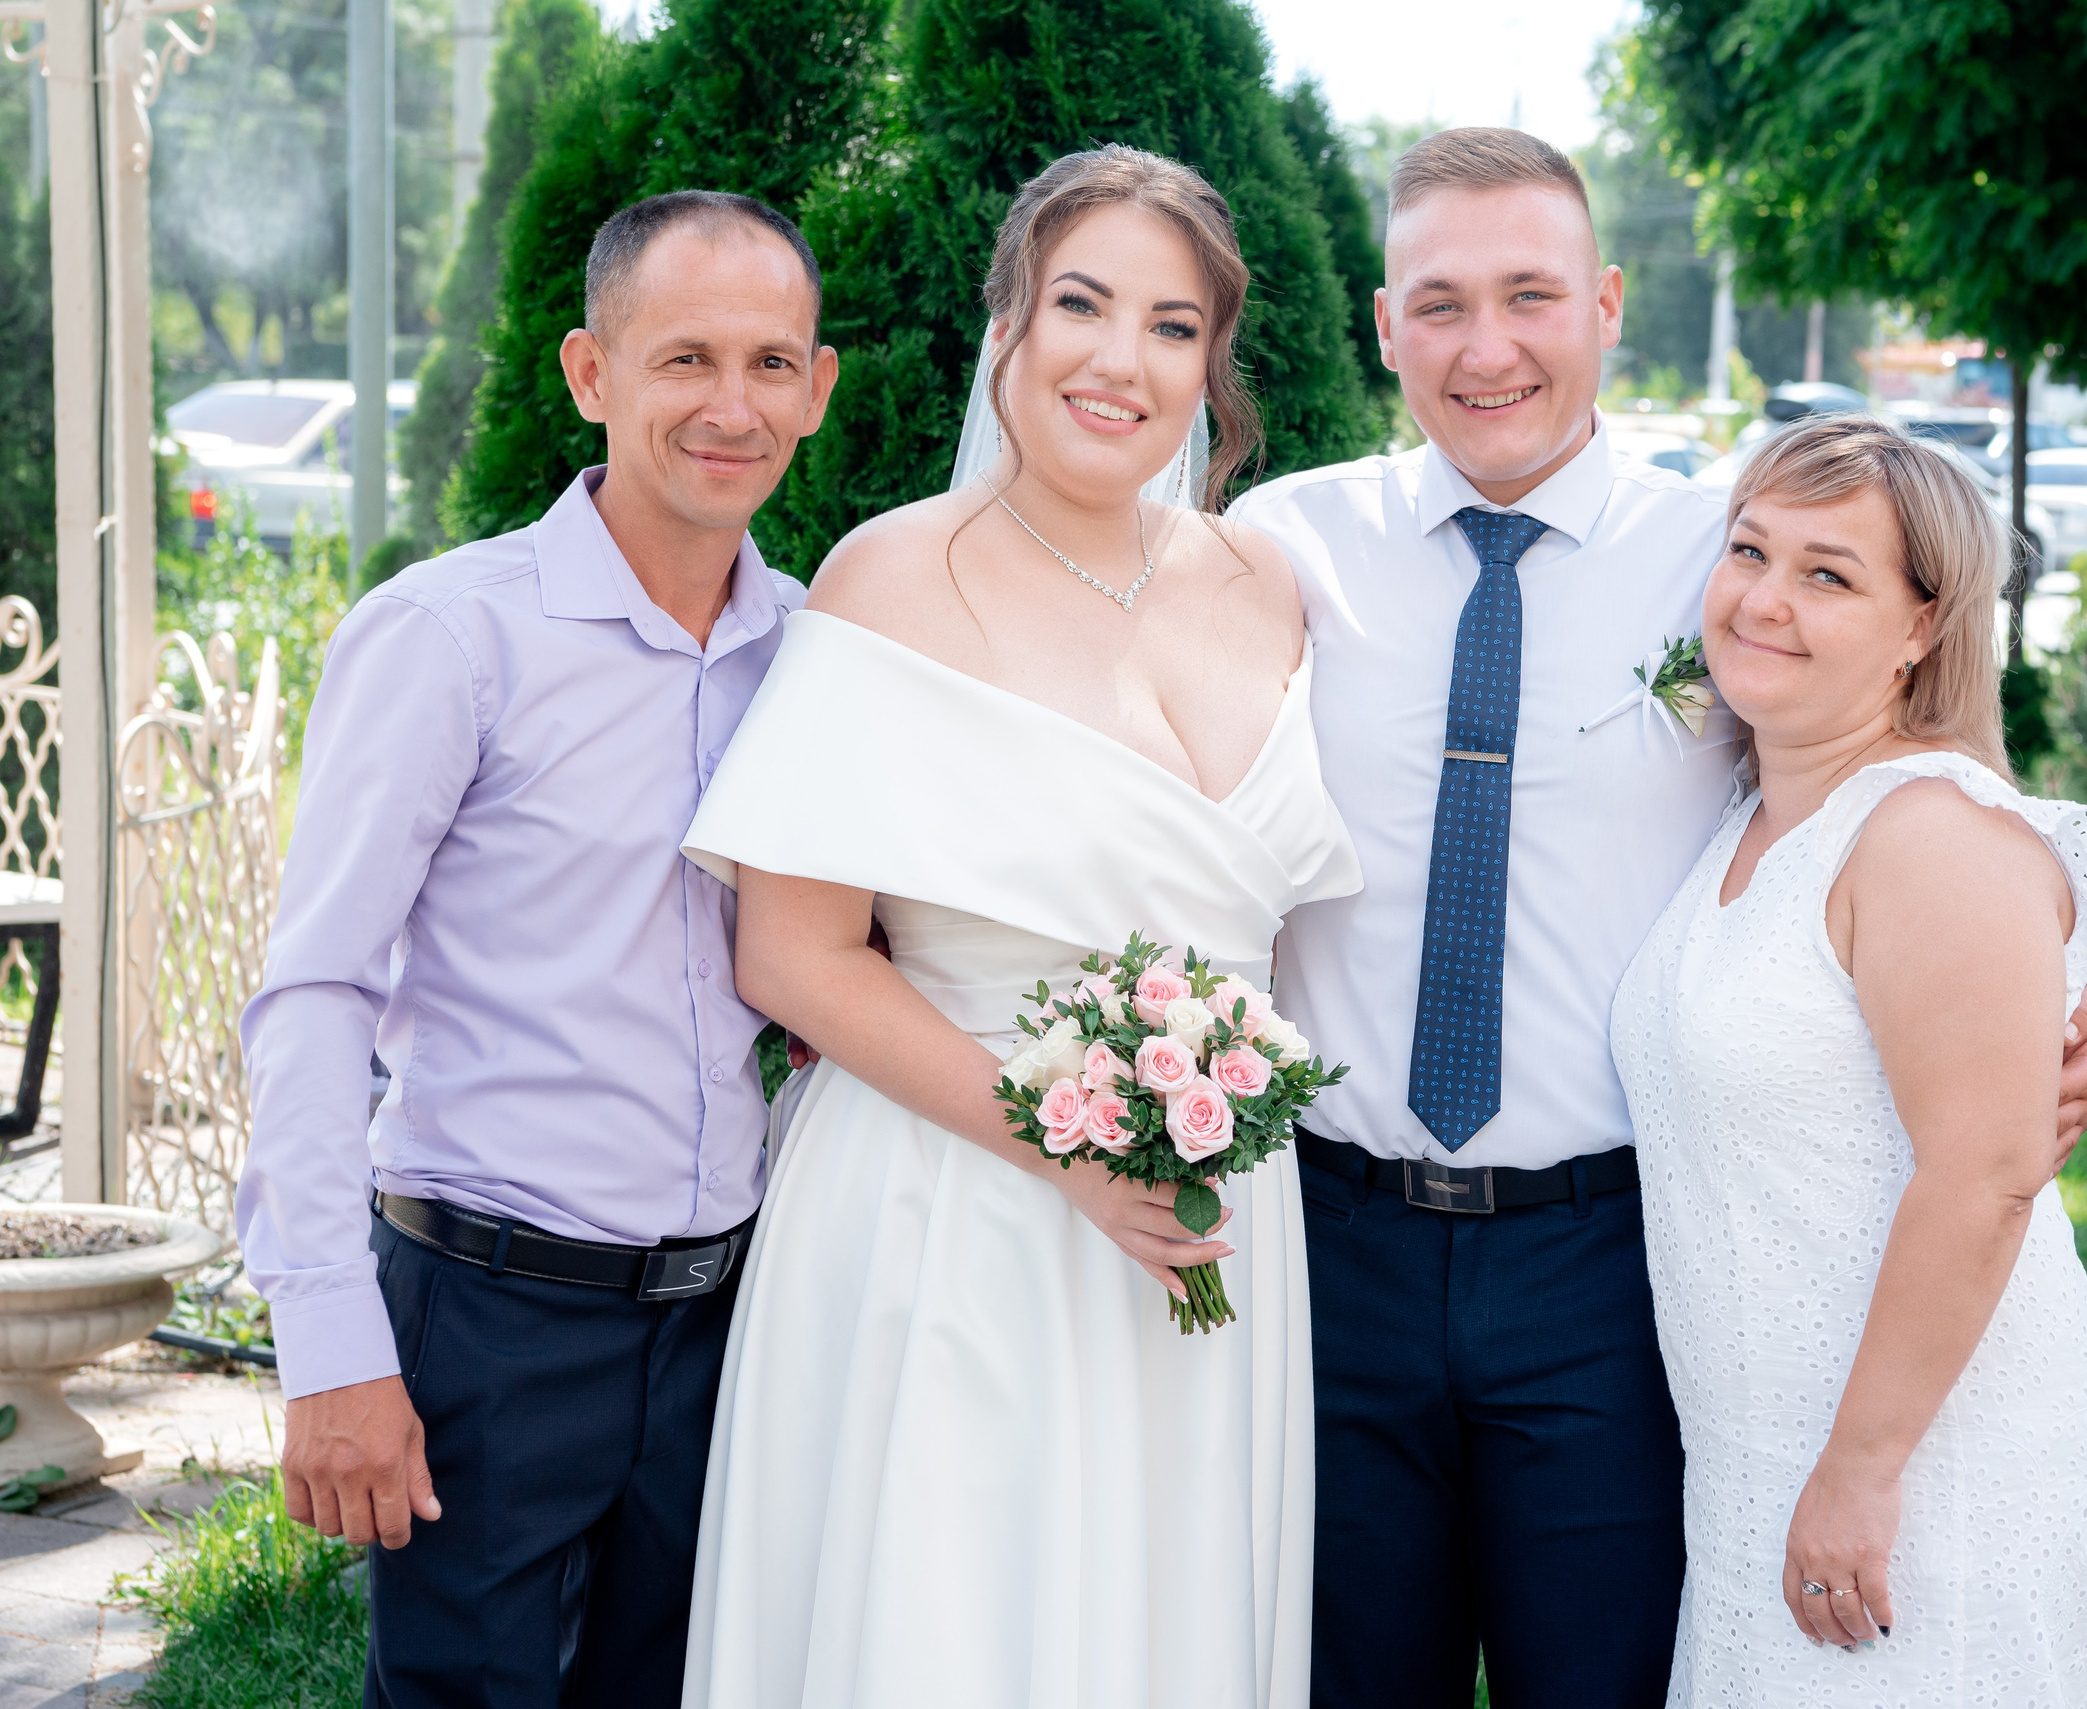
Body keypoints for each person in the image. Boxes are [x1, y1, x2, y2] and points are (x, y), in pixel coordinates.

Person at [1228, 128, 2087, 1709]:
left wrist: (2041, 1000)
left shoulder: (1733, 552)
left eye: (1531, 295)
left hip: (1610, 1268)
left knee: (1615, 1673)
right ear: (1381, 323)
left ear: (1610, 301)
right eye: (1439, 304)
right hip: (1331, 1243)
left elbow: (1917, 763)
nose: (1486, 347)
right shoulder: (1275, 552)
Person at [676, 145, 1359, 1709]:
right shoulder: (892, 578)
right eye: (1082, 305)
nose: (1123, 360)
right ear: (1008, 326)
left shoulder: (1271, 581)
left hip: (1214, 1231)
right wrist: (1072, 1156)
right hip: (954, 1213)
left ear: (1214, 361)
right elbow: (791, 953)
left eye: (1174, 325)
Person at [235, 190, 838, 1706]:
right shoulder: (454, 636)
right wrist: (328, 1343)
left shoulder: (818, 650)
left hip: (724, 1318)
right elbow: (313, 993)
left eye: (772, 362)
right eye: (683, 356)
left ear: (819, 389)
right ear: (591, 374)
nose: (730, 404)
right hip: (490, 1319)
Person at [1610, 413, 2087, 1704]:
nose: (1766, 600)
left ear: (1923, 627)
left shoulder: (1930, 834)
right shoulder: (1756, 811)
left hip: (1925, 1470)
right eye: (1750, 552)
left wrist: (1860, 1465)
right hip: (1758, 1458)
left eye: (1829, 573)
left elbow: (1984, 1174)